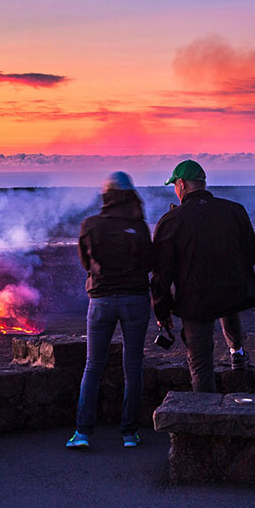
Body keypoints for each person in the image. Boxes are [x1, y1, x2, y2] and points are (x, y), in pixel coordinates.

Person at [151, 160, 255, 393]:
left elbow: (162, 273)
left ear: (181, 184)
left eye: (175, 185)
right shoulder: (234, 211)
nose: (175, 189)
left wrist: (162, 312)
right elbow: (252, 253)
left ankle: (205, 418)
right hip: (230, 292)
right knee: (227, 306)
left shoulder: (171, 221)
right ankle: (237, 353)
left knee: (201, 364)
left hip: (195, 301)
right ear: (202, 183)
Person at [67, 172, 153, 449]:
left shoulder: (90, 224)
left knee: (93, 365)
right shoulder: (138, 226)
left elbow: (85, 264)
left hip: (101, 301)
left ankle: (82, 433)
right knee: (133, 366)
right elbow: (149, 262)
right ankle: (129, 433)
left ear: (105, 195)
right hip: (135, 301)